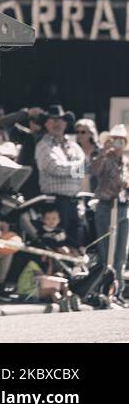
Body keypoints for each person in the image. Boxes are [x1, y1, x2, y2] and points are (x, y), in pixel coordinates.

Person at [89, 123, 129, 303]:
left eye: (122, 140)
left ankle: (117, 292)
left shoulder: (126, 162)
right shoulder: (105, 158)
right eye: (115, 140)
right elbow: (92, 171)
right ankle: (104, 289)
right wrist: (103, 153)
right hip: (107, 206)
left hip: (122, 207)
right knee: (107, 253)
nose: (118, 144)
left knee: (121, 253)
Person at [36, 106, 86, 246]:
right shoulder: (43, 145)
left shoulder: (74, 146)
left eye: (60, 120)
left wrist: (72, 167)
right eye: (52, 120)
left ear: (65, 123)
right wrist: (76, 166)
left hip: (74, 202)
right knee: (57, 244)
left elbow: (82, 170)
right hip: (55, 203)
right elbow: (55, 168)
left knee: (76, 243)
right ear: (46, 123)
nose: (57, 123)